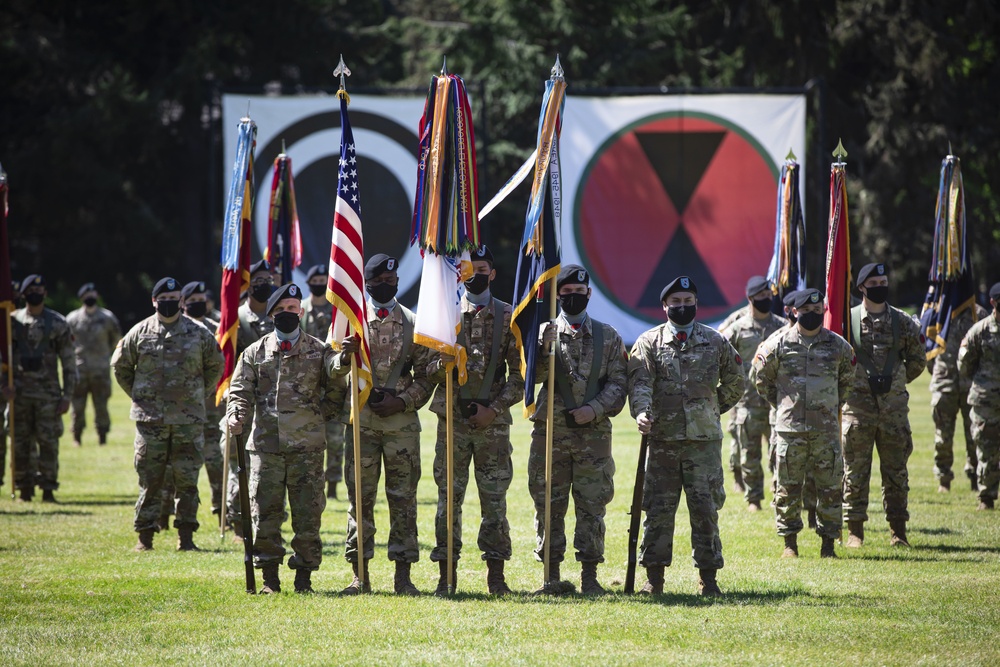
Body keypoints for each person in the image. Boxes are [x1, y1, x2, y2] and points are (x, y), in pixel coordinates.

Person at [627, 276, 743, 596]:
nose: (682, 307)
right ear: (665, 306)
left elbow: (736, 381)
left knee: (705, 510)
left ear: (696, 304)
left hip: (703, 443)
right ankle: (654, 579)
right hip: (663, 441)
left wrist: (710, 409)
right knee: (659, 511)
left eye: (687, 301)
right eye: (675, 302)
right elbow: (640, 384)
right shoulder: (649, 342)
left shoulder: (715, 341)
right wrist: (642, 412)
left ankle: (709, 579)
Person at [227, 283, 346, 593]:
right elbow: (239, 391)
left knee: (308, 515)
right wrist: (236, 414)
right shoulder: (254, 352)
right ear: (271, 315)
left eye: (292, 309)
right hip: (266, 447)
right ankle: (269, 578)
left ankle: (304, 578)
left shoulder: (319, 350)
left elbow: (335, 387)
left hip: (306, 448)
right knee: (265, 513)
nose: (287, 315)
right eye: (280, 311)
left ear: (301, 312)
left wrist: (319, 417)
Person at [333, 254, 433, 595]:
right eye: (380, 281)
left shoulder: (413, 323)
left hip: (401, 426)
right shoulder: (352, 320)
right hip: (361, 423)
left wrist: (402, 401)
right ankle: (360, 575)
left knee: (403, 500)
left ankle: (403, 576)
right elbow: (331, 369)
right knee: (359, 500)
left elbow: (427, 376)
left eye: (392, 281)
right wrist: (344, 356)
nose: (387, 286)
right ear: (368, 282)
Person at [427, 245, 523, 596]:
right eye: (470, 268)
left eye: (483, 268)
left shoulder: (510, 317)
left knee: (494, 500)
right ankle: (445, 576)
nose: (476, 273)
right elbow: (425, 369)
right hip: (451, 422)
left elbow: (521, 377)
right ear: (461, 272)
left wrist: (494, 410)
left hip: (492, 426)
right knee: (447, 500)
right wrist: (443, 363)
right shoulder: (444, 316)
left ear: (492, 274)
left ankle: (496, 576)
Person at [530, 264, 627, 594]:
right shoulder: (543, 332)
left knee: (591, 505)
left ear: (589, 294)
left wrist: (594, 409)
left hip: (593, 436)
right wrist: (542, 350)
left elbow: (618, 382)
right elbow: (532, 379)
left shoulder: (608, 335)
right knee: (548, 505)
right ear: (558, 295)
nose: (573, 298)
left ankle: (589, 577)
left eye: (579, 293)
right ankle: (551, 576)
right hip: (550, 435)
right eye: (566, 294)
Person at [111, 277, 224, 551]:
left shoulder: (198, 333)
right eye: (165, 297)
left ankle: (186, 537)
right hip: (151, 422)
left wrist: (200, 393)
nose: (170, 301)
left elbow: (216, 365)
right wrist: (141, 396)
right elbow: (120, 366)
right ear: (154, 301)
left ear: (181, 301)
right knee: (150, 480)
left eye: (175, 296)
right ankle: (145, 536)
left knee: (187, 480)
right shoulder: (139, 332)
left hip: (188, 420)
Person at [751, 289, 856, 558]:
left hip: (826, 430)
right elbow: (761, 379)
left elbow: (847, 381)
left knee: (831, 488)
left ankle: (828, 544)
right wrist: (784, 405)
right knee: (788, 488)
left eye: (817, 310)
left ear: (823, 310)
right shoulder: (778, 344)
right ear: (794, 312)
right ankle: (790, 544)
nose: (812, 315)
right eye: (806, 311)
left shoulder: (838, 346)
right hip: (790, 430)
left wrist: (831, 406)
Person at [842, 262, 926, 548]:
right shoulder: (847, 320)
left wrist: (896, 383)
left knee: (896, 472)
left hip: (893, 411)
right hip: (857, 410)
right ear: (861, 288)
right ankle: (855, 531)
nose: (880, 287)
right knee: (855, 472)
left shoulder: (903, 322)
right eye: (874, 283)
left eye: (884, 282)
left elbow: (918, 360)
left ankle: (898, 531)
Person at [6, 274, 76, 502]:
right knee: (20, 443)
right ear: (24, 294)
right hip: (19, 394)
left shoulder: (57, 323)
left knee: (48, 443)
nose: (36, 293)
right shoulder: (11, 323)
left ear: (45, 293)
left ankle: (47, 489)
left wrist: (67, 396)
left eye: (40, 289)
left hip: (48, 395)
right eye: (31, 290)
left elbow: (68, 362)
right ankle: (24, 488)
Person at [724, 276, 787, 511]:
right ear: (750, 299)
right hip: (747, 402)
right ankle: (753, 499)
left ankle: (778, 492)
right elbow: (721, 357)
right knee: (749, 454)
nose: (766, 299)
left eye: (768, 295)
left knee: (778, 452)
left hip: (776, 403)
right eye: (760, 296)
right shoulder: (737, 329)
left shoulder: (782, 327)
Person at [223, 259, 275, 536]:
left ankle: (263, 519)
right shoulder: (236, 319)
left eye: (268, 279)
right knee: (238, 465)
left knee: (268, 468)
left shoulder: (279, 315)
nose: (264, 284)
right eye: (257, 280)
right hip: (245, 403)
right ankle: (236, 519)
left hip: (274, 407)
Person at [928, 300, 989, 492]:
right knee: (942, 436)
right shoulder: (938, 313)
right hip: (945, 384)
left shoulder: (978, 313)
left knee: (975, 434)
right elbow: (929, 352)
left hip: (971, 385)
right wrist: (939, 374)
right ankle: (943, 479)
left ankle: (974, 476)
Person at [300, 263, 346, 500]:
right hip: (307, 383)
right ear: (308, 283)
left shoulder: (335, 311)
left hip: (334, 382)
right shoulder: (300, 310)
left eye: (322, 281)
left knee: (336, 439)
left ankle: (333, 486)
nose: (318, 285)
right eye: (314, 281)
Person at [957, 283, 1000, 510]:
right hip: (986, 401)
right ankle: (986, 496)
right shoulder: (980, 330)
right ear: (993, 302)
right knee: (986, 449)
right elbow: (965, 364)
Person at [66, 282, 121, 446]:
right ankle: (77, 437)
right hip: (79, 370)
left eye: (92, 294)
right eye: (86, 295)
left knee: (101, 406)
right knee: (77, 407)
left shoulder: (107, 318)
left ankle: (102, 437)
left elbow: (116, 340)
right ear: (81, 297)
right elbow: (66, 343)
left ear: (96, 296)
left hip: (100, 370)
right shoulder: (72, 319)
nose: (90, 297)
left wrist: (105, 356)